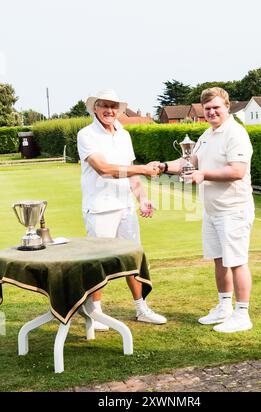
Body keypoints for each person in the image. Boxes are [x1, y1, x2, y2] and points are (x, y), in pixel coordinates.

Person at [159, 87, 254, 333]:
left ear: (227, 107)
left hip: (234, 209)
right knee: (219, 260)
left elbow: (237, 171)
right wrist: (161, 166)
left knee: (237, 262)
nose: (212, 112)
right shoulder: (207, 134)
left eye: (216, 108)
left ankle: (242, 314)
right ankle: (224, 307)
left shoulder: (236, 134)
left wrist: (202, 175)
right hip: (212, 210)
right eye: (207, 108)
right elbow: (190, 162)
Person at [77, 89, 167, 330]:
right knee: (100, 262)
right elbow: (104, 169)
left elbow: (129, 172)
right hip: (100, 209)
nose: (109, 110)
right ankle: (95, 313)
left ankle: (141, 309)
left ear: (119, 109)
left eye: (113, 106)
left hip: (125, 207)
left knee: (132, 260)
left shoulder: (124, 134)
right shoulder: (86, 135)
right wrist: (145, 170)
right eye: (104, 105)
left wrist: (142, 198)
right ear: (95, 108)